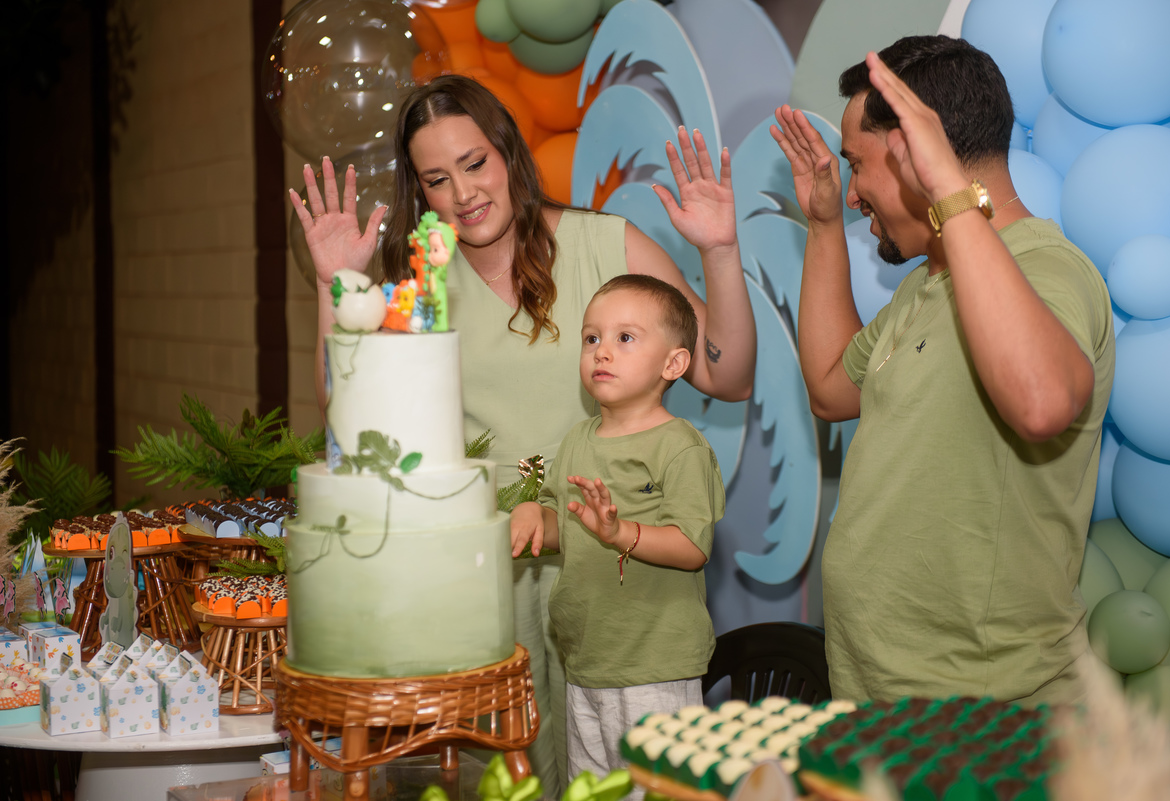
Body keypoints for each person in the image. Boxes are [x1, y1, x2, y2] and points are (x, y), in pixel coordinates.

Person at [290, 75, 755, 795]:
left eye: (475, 163)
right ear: (420, 191)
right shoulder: (419, 284)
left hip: (612, 574)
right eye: (437, 179)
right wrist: (333, 285)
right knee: (504, 777)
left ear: (508, 151)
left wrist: (720, 251)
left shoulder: (606, 243)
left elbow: (726, 373)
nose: (463, 193)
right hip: (489, 578)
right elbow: (349, 414)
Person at [770, 35, 1114, 705]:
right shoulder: (927, 283)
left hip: (980, 708)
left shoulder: (1047, 268)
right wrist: (821, 225)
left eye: (858, 165)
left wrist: (949, 191)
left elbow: (1041, 403)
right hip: (882, 692)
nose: (853, 193)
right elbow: (831, 387)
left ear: (915, 152)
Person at [510, 274, 723, 790]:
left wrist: (621, 532)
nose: (601, 351)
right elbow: (567, 525)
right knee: (594, 790)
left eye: (625, 338)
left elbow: (692, 547)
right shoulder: (577, 439)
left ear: (673, 364)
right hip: (588, 661)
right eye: (592, 338)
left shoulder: (680, 447)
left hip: (656, 666)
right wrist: (535, 516)